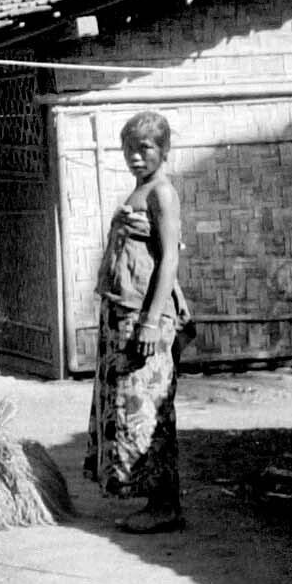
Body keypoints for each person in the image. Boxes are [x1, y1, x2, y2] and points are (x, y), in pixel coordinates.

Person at [85, 111, 192, 534]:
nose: (135, 156)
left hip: (143, 316)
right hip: (123, 311)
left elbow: (170, 260)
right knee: (130, 406)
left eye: (144, 148)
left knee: (147, 410)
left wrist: (149, 322)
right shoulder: (142, 189)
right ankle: (156, 502)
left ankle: (164, 506)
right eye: (128, 148)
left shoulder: (162, 192)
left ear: (164, 150)